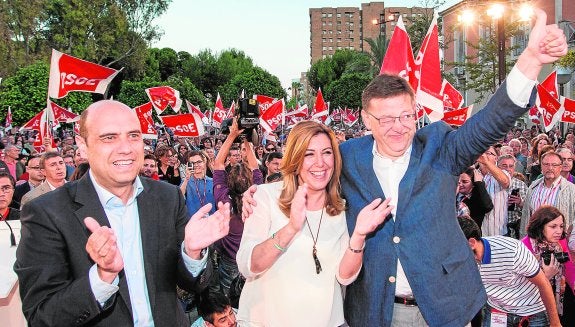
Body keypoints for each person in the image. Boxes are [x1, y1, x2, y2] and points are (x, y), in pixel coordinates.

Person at [241, 9, 567, 326]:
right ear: (367, 120)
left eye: (405, 116)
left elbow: (488, 123)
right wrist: (259, 193)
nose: (398, 127)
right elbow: (310, 179)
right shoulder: (346, 158)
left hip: (444, 307)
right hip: (376, 310)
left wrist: (530, 61)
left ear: (415, 112)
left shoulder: (439, 147)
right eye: (385, 119)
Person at [15, 100, 231, 326]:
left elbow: (193, 284)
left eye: (134, 135)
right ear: (82, 145)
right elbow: (42, 316)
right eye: (109, 137)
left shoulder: (168, 197)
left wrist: (191, 253)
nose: (126, 147)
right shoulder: (45, 212)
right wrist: (102, 278)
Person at [236, 121, 392, 326]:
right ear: (295, 158)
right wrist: (291, 228)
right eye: (309, 154)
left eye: (327, 152)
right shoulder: (264, 197)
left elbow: (345, 277)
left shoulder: (342, 207)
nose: (320, 163)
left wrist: (359, 236)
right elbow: (248, 266)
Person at [457, 216, 561, 327]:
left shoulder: (512, 250)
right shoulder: (459, 263)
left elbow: (543, 284)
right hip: (496, 311)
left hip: (532, 312)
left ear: (471, 243)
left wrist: (555, 323)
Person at [214, 119, 263, 296]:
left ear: (228, 181)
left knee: (229, 298)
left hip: (229, 261)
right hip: (253, 258)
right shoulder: (258, 192)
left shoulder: (223, 199)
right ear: (252, 180)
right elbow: (255, 165)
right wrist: (245, 140)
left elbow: (218, 163)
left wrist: (233, 135)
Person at [522, 205, 575, 326]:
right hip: (533, 306)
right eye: (553, 226)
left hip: (557, 299)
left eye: (561, 226)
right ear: (540, 227)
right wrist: (546, 277)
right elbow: (521, 285)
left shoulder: (560, 242)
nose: (559, 231)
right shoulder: (525, 246)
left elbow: (569, 267)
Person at [521, 151, 575, 237]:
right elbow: (525, 216)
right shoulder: (533, 187)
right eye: (546, 164)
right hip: (534, 239)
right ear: (541, 166)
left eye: (554, 165)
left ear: (560, 167)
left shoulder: (571, 190)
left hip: (559, 242)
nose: (550, 168)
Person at [180, 150, 215, 218]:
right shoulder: (186, 182)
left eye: (199, 162)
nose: (196, 165)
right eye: (192, 163)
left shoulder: (212, 182)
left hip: (211, 221)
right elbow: (179, 196)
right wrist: (186, 178)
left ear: (204, 162)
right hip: (192, 222)